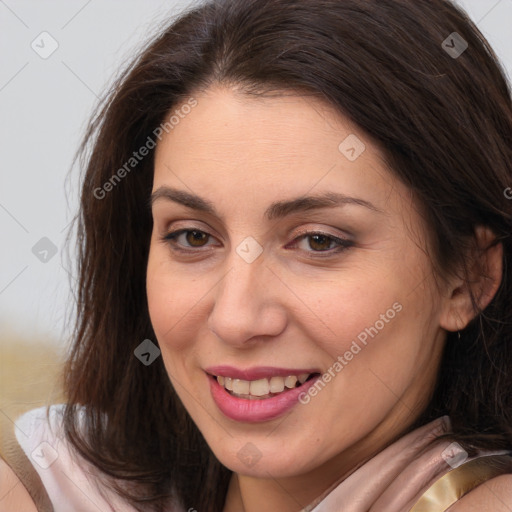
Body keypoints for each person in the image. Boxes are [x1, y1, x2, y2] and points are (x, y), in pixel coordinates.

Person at [1, 0, 512, 510]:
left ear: (468, 276)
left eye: (318, 241)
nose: (235, 318)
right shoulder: (56, 482)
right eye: (193, 237)